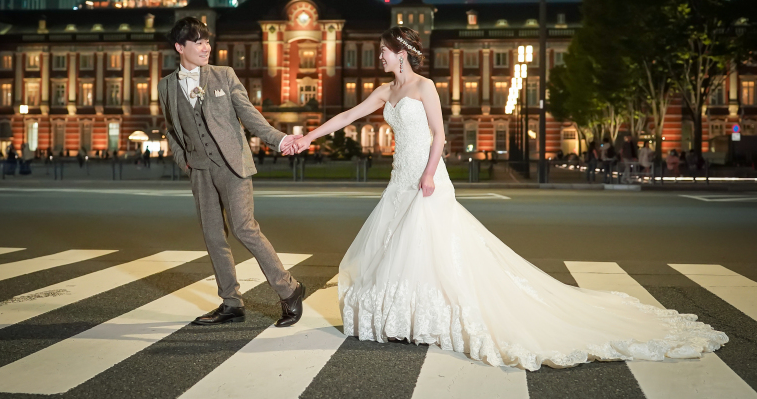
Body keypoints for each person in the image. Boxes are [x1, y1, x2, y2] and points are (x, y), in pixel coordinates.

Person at [291, 26, 727, 371]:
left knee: (430, 248)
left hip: (425, 179)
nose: (380, 56)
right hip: (398, 181)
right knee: (399, 250)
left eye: (383, 50)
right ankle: (405, 319)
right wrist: (307, 136)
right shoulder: (387, 92)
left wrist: (427, 174)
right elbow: (349, 115)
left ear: (400, 51)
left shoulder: (424, 88)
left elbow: (440, 136)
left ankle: (426, 317)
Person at [158, 17, 304, 328]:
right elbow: (171, 128)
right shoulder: (166, 85)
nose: (206, 47)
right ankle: (231, 303)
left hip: (233, 164)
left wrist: (279, 140)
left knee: (244, 228)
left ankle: (289, 290)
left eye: (207, 41)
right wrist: (181, 157)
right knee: (213, 236)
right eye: (198, 42)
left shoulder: (224, 75)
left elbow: (249, 114)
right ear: (179, 47)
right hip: (198, 169)